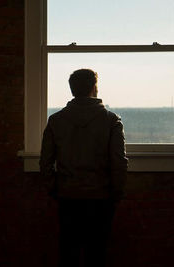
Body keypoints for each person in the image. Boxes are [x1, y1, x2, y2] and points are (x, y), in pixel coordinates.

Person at [40, 69, 128, 267]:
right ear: (94, 88)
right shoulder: (111, 120)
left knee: (68, 252)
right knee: (97, 253)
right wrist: (117, 192)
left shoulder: (56, 120)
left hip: (68, 195)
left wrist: (53, 188)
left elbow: (45, 162)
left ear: (72, 90)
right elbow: (119, 161)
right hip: (100, 196)